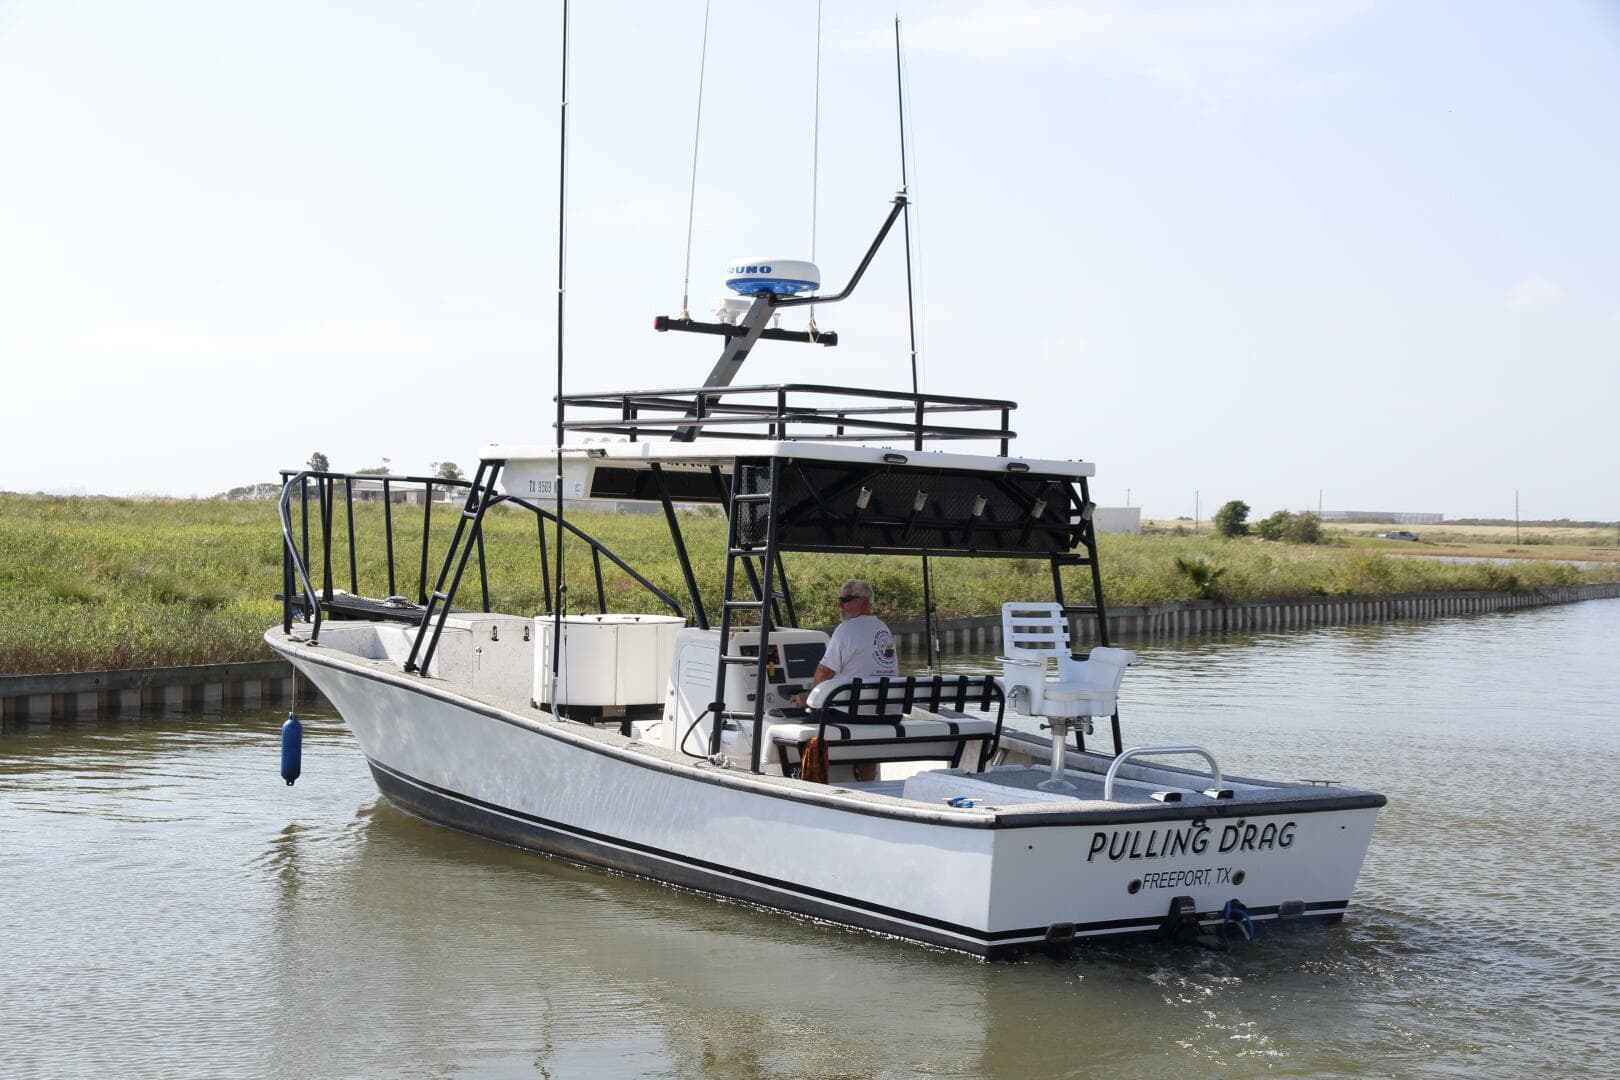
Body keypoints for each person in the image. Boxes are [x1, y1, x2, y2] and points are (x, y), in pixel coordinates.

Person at [792, 579, 897, 707]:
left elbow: (824, 672)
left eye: (846, 600)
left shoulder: (846, 629)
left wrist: (809, 699)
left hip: (849, 713)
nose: (840, 606)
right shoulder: (883, 628)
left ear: (864, 601)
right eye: (839, 600)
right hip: (885, 711)